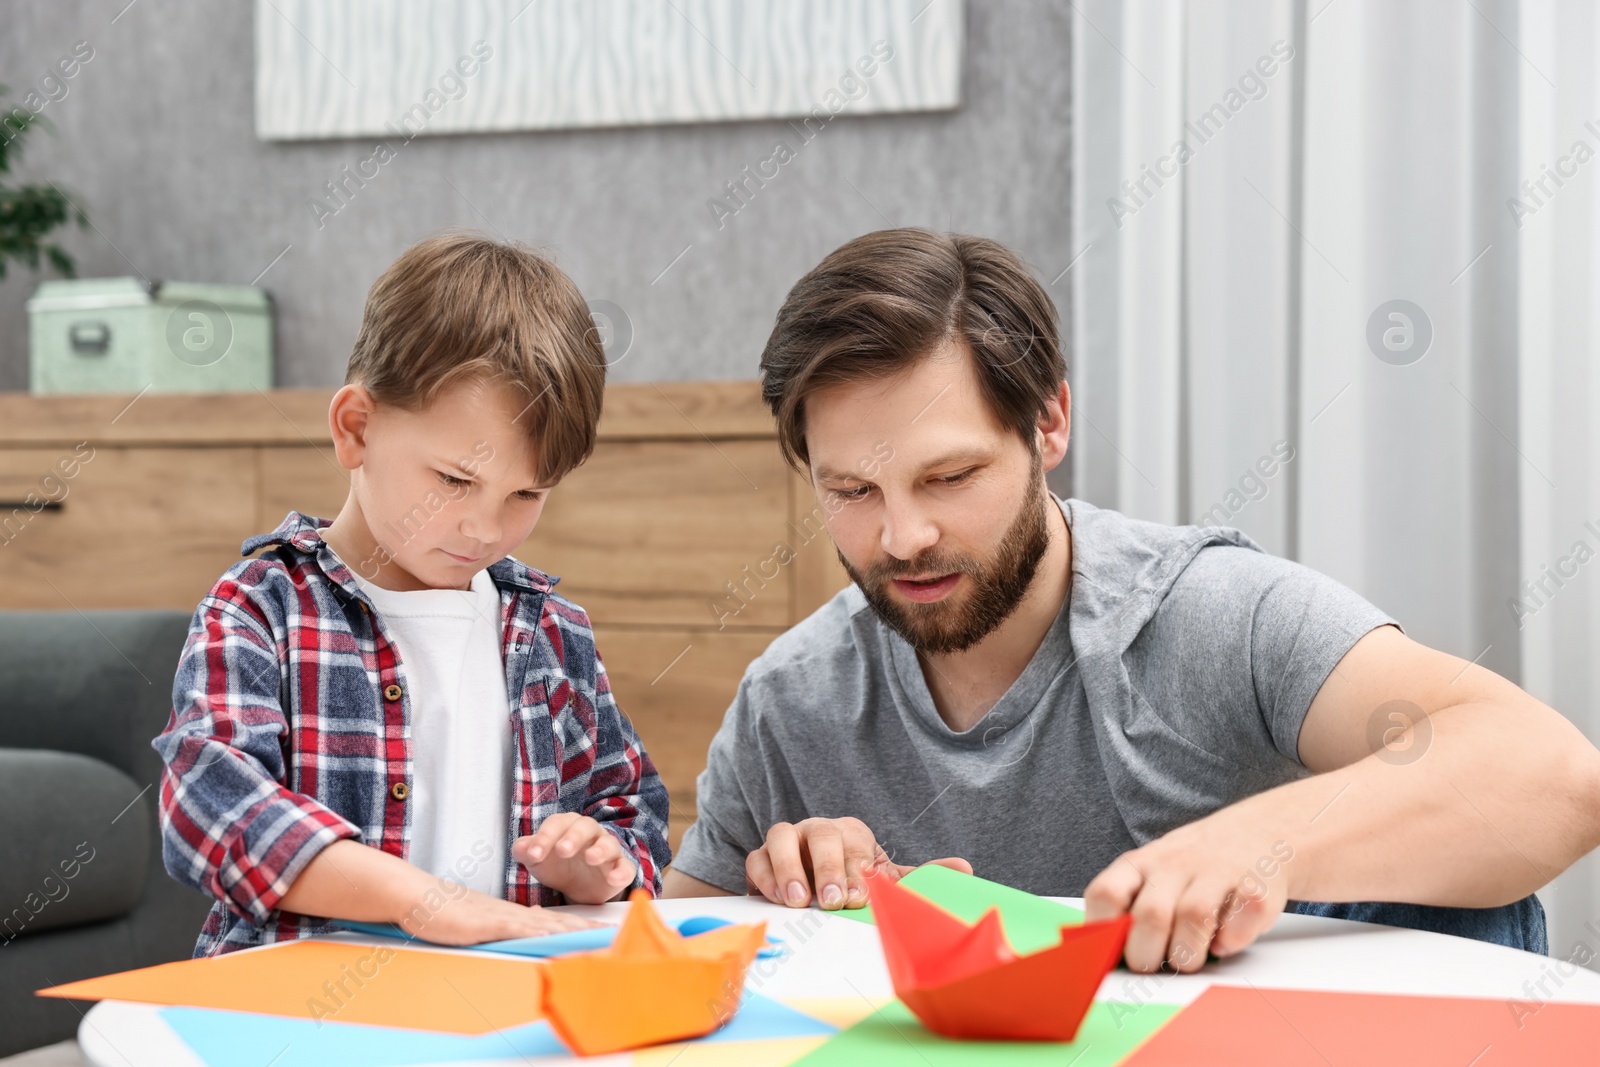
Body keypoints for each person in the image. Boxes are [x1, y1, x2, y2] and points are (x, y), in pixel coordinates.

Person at [662, 228, 1600, 973]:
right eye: (853, 492)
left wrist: (1258, 845)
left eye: (949, 476)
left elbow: (1551, 776)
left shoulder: (1209, 617)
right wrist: (796, 907)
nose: (901, 537)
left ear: (1050, 422)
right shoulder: (793, 698)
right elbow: (676, 957)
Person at [152, 233, 670, 956]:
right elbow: (211, 808)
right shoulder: (262, 607)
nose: (485, 527)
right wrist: (421, 902)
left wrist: (595, 863)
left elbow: (633, 813)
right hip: (291, 1016)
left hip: (501, 1006)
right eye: (455, 480)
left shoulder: (553, 632)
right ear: (356, 428)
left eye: (526, 492)